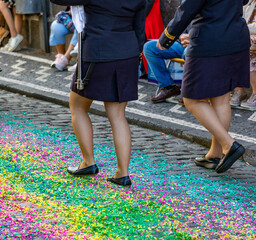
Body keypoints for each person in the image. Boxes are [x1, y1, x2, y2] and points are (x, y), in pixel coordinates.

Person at [51, 0, 145, 186]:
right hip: (128, 52)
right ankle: (122, 173)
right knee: (118, 115)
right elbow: (139, 26)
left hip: (98, 51)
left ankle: (88, 162)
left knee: (77, 106)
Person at [157, 0, 250, 172]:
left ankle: (229, 145)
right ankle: (214, 155)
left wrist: (167, 37)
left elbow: (187, 9)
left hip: (209, 41)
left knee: (191, 100)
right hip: (235, 37)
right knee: (221, 99)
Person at [144, 34, 188, 103]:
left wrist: (192, 38)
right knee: (149, 47)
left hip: (200, 44)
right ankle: (168, 87)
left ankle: (189, 91)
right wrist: (182, 36)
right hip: (182, 43)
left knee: (190, 52)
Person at [230, 0, 256, 110]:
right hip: (248, 36)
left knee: (249, 50)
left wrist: (244, 29)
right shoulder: (248, 3)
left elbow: (241, 24)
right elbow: (238, 21)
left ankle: (255, 93)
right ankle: (239, 90)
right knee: (228, 47)